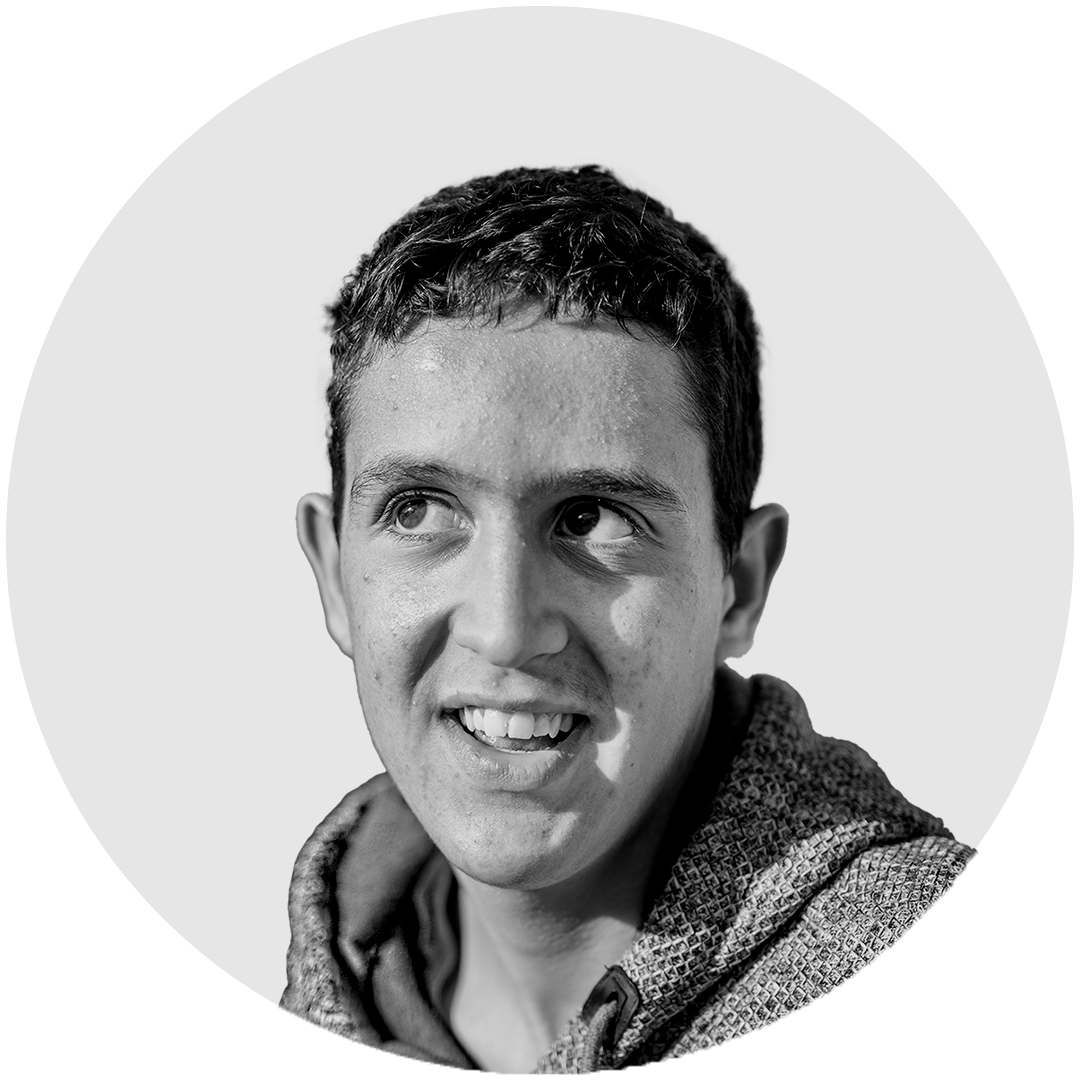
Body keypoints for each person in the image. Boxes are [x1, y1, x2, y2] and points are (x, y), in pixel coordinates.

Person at [281, 165, 975, 1071]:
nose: (503, 627)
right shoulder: (338, 969)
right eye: (418, 510)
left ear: (740, 584)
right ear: (335, 574)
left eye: (594, 519)